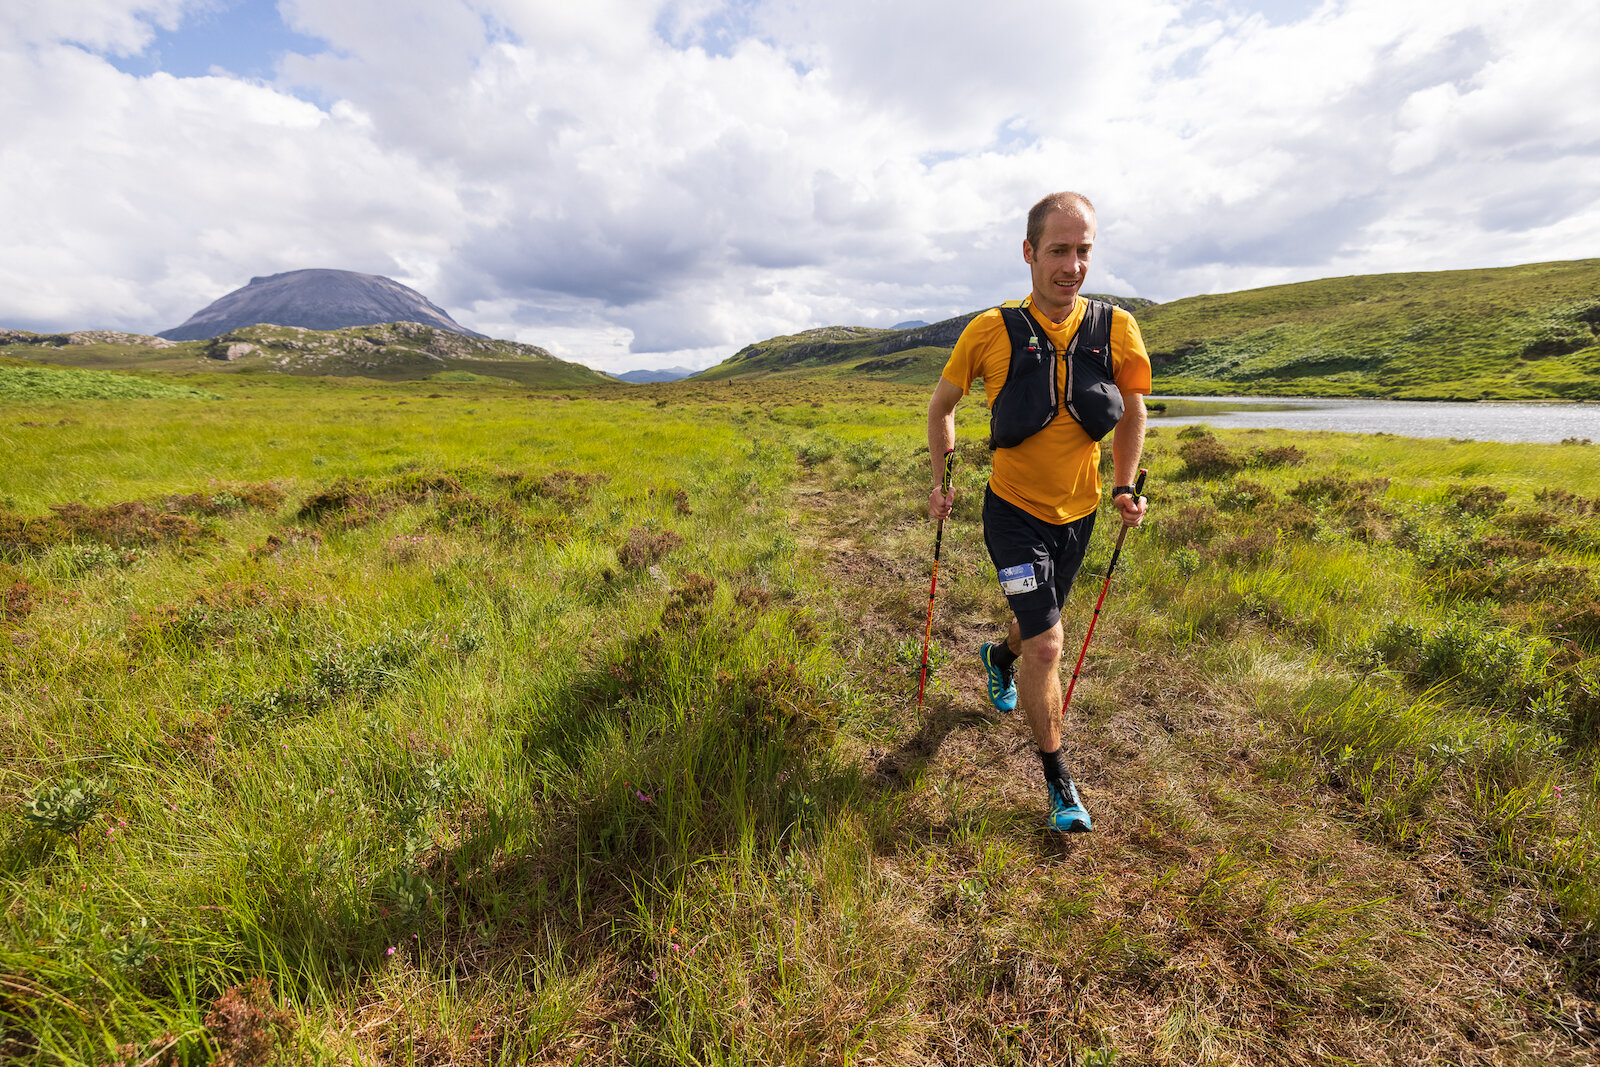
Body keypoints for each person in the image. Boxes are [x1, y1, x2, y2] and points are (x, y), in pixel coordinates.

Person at [926, 190, 1151, 833]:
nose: (1072, 265)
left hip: (1078, 516)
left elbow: (1133, 411)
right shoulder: (989, 331)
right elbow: (941, 407)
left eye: (1084, 251)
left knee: (1033, 633)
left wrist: (1125, 485)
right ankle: (1059, 782)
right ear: (1029, 253)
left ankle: (999, 657)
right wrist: (941, 480)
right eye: (1058, 250)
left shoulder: (1117, 328)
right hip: (1012, 513)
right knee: (1050, 643)